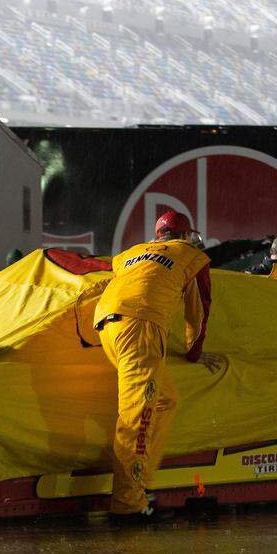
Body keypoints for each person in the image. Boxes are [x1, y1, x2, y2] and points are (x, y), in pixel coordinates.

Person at [93, 210, 224, 521]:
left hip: (107, 326)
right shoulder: (191, 257)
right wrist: (194, 353)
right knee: (136, 419)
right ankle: (129, 504)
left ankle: (141, 482)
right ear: (186, 235)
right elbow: (199, 313)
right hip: (141, 328)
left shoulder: (132, 253)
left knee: (164, 400)